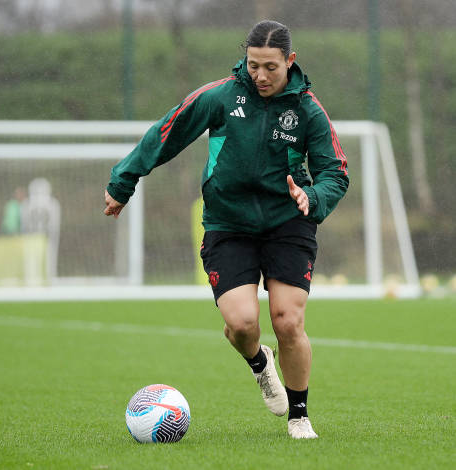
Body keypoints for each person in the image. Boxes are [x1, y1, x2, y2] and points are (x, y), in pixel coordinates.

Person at [104, 20, 348, 439]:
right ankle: (259, 363)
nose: (260, 76)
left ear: (290, 61)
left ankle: (299, 415)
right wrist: (124, 182)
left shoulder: (307, 110)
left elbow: (334, 172)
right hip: (228, 224)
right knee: (241, 325)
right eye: (253, 65)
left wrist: (314, 198)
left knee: (288, 322)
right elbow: (167, 133)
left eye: (271, 67)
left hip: (288, 222)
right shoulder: (220, 96)